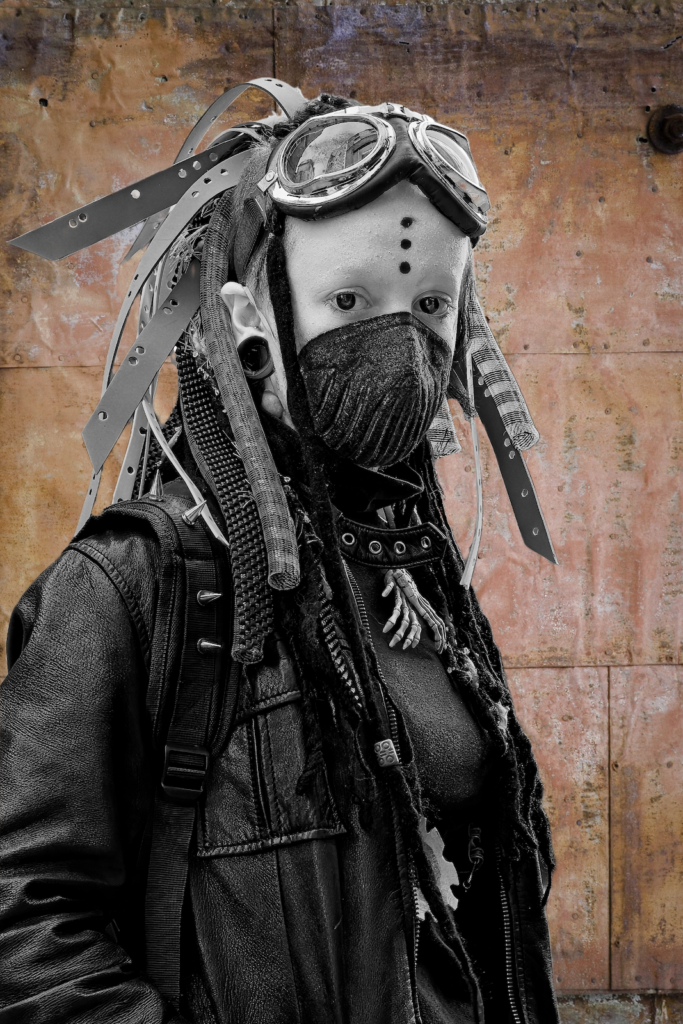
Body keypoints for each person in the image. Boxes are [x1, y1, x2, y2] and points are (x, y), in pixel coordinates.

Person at [0, 89, 559, 1024]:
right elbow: (26, 922)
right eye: (348, 299)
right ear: (248, 321)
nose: (401, 337)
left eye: (430, 304)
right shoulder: (135, 582)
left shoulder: (414, 580)